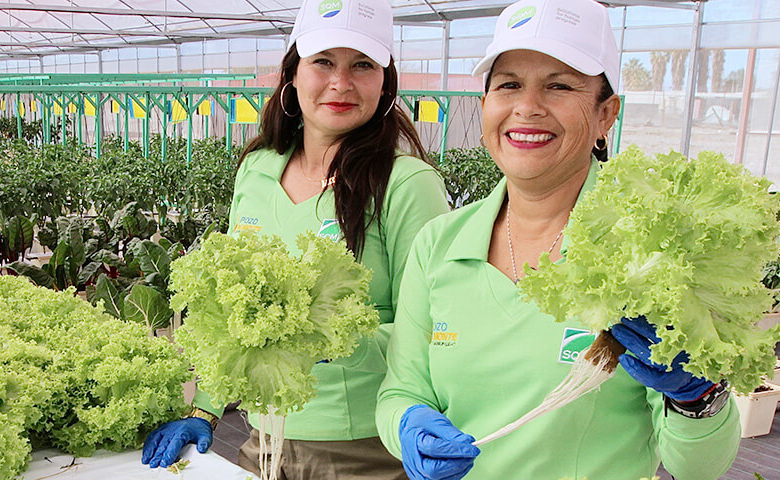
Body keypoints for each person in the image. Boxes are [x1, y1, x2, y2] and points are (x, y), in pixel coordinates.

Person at [374, 0, 741, 479]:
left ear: (605, 114)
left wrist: (697, 398)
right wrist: (406, 423)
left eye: (559, 86)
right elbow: (402, 391)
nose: (527, 108)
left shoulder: (650, 251)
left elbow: (700, 468)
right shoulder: (440, 242)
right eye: (508, 85)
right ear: (485, 106)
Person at [140, 0, 451, 477]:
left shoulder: (406, 183)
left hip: (360, 450)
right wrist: (204, 408)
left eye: (362, 66)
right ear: (293, 74)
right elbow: (226, 313)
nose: (341, 83)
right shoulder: (257, 168)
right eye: (323, 62)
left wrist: (331, 338)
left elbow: (433, 329)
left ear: (384, 85)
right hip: (257, 441)